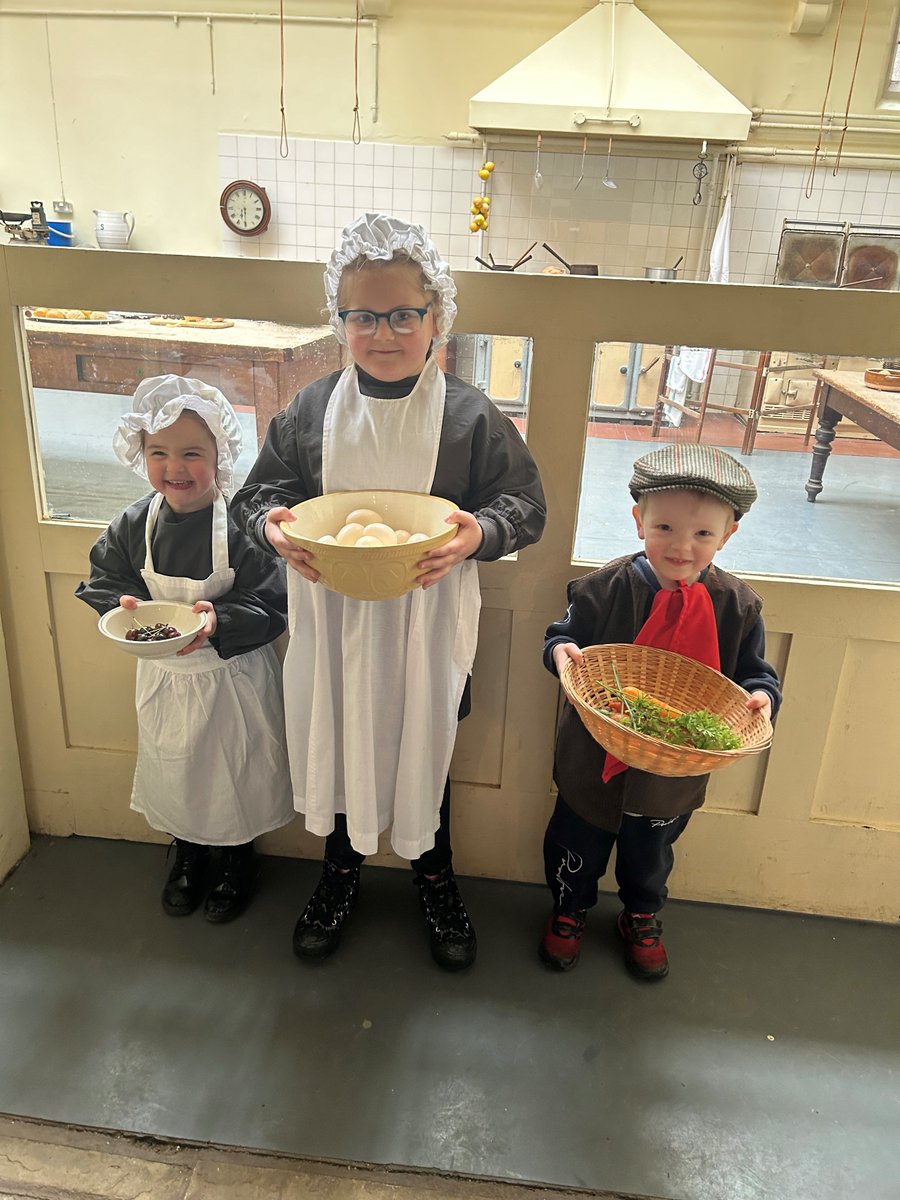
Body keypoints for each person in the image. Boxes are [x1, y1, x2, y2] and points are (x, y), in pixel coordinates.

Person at [231, 213, 546, 971]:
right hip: (332, 622)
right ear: (338, 322)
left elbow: (523, 506)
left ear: (437, 317)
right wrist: (273, 528)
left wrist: (477, 535)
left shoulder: (470, 417)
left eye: (404, 314)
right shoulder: (310, 411)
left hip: (428, 628)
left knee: (423, 747)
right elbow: (256, 498)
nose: (383, 332)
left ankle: (433, 875)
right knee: (341, 743)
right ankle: (339, 873)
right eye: (362, 316)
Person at [540, 443, 781, 980]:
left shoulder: (738, 606)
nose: (681, 547)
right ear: (638, 521)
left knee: (651, 851)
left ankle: (641, 915)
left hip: (672, 772)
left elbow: (755, 673)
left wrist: (762, 697)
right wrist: (562, 654)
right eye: (665, 528)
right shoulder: (605, 587)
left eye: (702, 534)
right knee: (576, 839)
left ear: (728, 535)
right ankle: (569, 906)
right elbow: (563, 638)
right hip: (594, 756)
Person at [76, 375, 293, 923]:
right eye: (159, 452)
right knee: (177, 770)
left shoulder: (241, 526)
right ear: (140, 455)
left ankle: (237, 859)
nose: (175, 467)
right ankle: (190, 855)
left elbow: (273, 601)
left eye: (192, 452)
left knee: (235, 772)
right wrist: (120, 607)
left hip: (233, 676)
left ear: (221, 454)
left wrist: (221, 619)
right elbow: (104, 578)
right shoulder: (134, 523)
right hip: (166, 677)